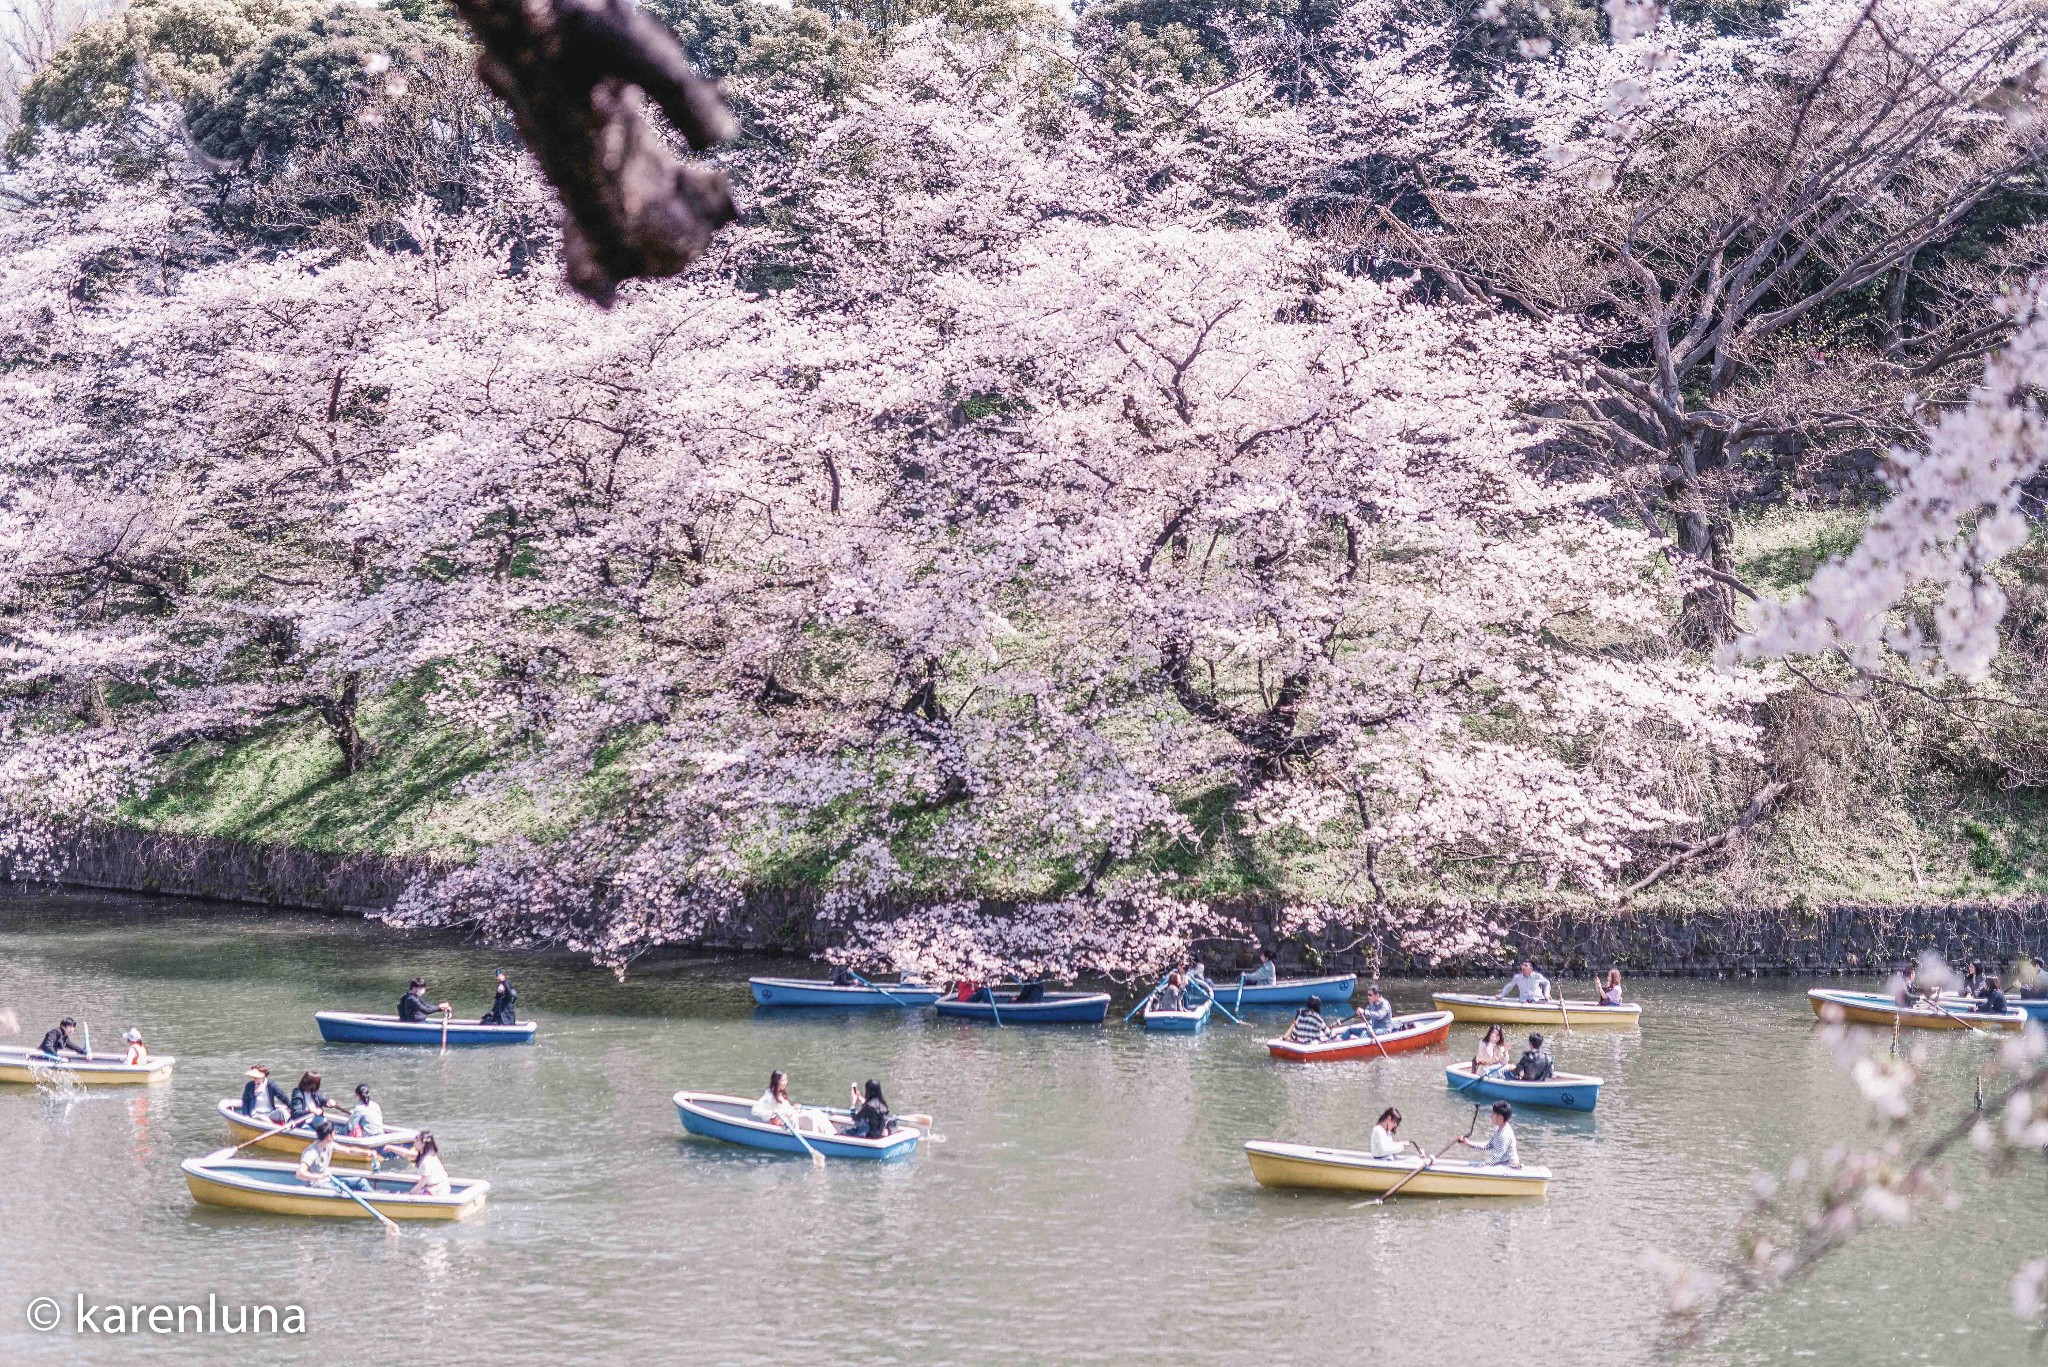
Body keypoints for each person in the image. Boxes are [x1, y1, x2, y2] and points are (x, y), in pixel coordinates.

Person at [750, 1070, 829, 1135]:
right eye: (782, 1080)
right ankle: (816, 1137)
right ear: (776, 1081)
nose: (785, 1083)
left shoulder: (781, 1094)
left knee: (816, 1113)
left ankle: (828, 1134)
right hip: (785, 1122)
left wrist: (793, 1107)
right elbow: (755, 1110)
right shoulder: (769, 1096)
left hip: (791, 1116)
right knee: (809, 1117)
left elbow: (786, 1109)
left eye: (786, 1080)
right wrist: (772, 1113)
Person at [378, 1131, 452, 1196]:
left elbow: (423, 1181)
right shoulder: (428, 1155)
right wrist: (391, 1148)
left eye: (416, 1141)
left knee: (405, 1195)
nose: (414, 1143)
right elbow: (407, 1154)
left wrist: (411, 1193)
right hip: (442, 1187)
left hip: (437, 1190)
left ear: (422, 1144)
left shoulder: (426, 1161)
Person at [1457, 1102, 1521, 1168]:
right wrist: (1468, 1143)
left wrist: (1481, 1165)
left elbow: (1497, 1157)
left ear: (1500, 1118)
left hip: (1509, 1166)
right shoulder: (1498, 1128)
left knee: (1479, 1167)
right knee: (1475, 1165)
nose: (1491, 1116)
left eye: (1493, 1114)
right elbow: (1488, 1146)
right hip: (1500, 1163)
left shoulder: (1504, 1135)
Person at [295, 1119, 344, 1188]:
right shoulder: (311, 1153)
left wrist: (364, 1152)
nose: (335, 1134)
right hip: (315, 1185)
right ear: (329, 1137)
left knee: (360, 1182)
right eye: (334, 1133)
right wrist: (321, 1176)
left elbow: (349, 1150)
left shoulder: (329, 1145)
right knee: (338, 1191)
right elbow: (299, 1174)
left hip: (327, 1181)